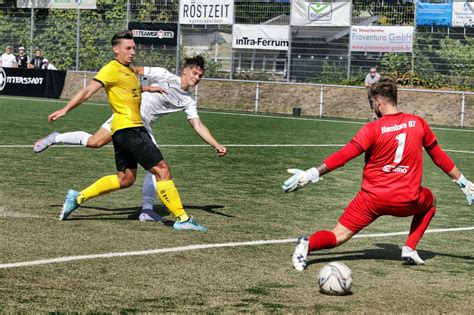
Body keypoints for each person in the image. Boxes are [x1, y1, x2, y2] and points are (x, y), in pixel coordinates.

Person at [282, 80, 473, 270]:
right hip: (406, 199)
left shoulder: (372, 129)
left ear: (378, 102)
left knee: (337, 236)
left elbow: (343, 156)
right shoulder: (418, 123)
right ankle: (409, 248)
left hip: (371, 199)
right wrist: (463, 182)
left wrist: (310, 174)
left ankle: (307, 244)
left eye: (372, 102)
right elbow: (438, 156)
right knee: (430, 202)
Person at [44, 30, 210, 231]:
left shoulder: (128, 71)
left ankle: (77, 197)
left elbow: (132, 88)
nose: (132, 52)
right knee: (162, 170)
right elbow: (88, 90)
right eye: (128, 48)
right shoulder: (111, 69)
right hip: (130, 128)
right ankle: (181, 219)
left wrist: (149, 89)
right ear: (116, 49)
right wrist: (65, 109)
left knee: (126, 178)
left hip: (124, 130)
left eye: (134, 48)